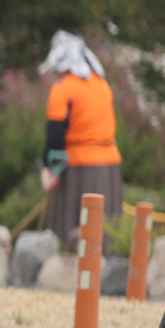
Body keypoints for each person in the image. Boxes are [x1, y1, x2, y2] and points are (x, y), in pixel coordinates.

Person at [39, 30, 122, 248]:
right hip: (110, 165)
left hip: (80, 167)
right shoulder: (102, 85)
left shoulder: (64, 88)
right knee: (103, 230)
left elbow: (55, 135)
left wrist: (50, 169)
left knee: (75, 228)